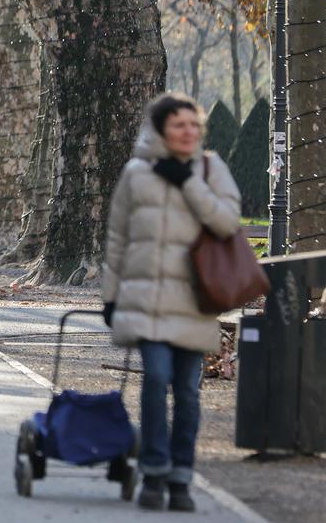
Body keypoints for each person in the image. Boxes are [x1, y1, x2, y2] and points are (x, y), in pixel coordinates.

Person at [101, 93, 241, 511]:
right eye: (179, 125)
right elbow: (117, 239)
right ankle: (154, 471)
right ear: (162, 129)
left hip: (195, 301)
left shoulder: (211, 170)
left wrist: (188, 182)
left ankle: (181, 476)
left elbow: (227, 221)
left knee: (188, 391)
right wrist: (111, 297)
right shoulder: (135, 173)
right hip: (147, 300)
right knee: (156, 377)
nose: (188, 132)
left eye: (193, 125)